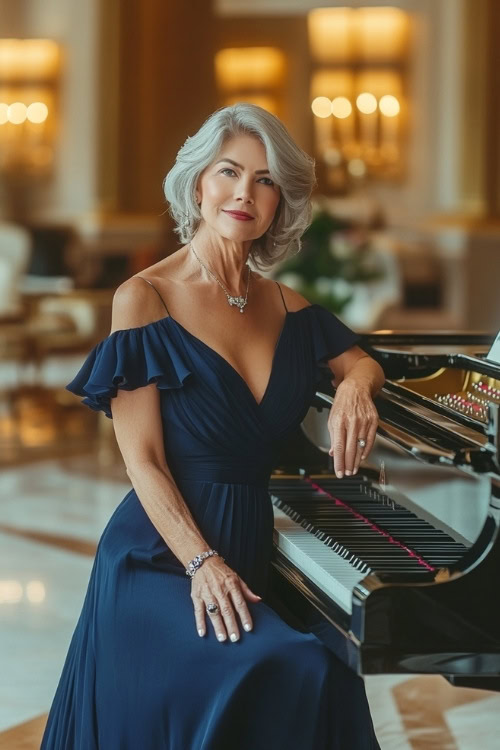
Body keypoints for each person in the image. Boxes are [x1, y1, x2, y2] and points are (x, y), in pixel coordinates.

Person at [41, 103, 385, 749]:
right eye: (229, 172)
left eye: (265, 180)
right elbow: (142, 459)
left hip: (248, 542)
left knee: (338, 665)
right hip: (163, 556)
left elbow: (361, 361)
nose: (243, 193)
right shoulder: (145, 297)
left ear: (281, 201)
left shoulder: (290, 308)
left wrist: (355, 390)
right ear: (198, 181)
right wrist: (202, 563)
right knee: (293, 663)